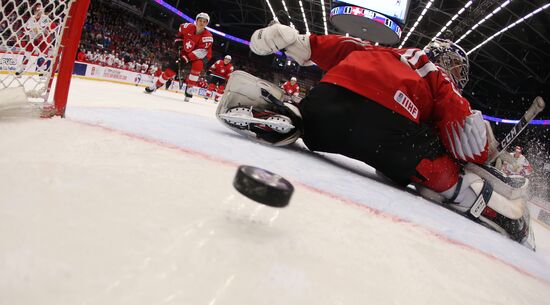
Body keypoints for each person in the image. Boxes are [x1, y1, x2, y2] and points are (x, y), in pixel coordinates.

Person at [215, 23, 534, 248]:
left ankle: (289, 113)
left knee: (316, 115)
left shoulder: (383, 51)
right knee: (441, 170)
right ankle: (500, 215)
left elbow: (328, 47)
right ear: (441, 59)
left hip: (330, 101)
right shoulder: (432, 71)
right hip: (392, 129)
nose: (457, 76)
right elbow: (465, 140)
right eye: (456, 68)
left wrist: (290, 40)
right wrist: (484, 151)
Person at [145, 12, 213, 102]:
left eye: (204, 21)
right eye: (200, 20)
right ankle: (156, 85)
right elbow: (180, 35)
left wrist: (186, 58)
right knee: (171, 70)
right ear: (196, 21)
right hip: (185, 52)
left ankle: (189, 88)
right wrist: (179, 42)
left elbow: (201, 52)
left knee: (198, 65)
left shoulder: (208, 37)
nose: (202, 23)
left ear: (206, 24)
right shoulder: (186, 27)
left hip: (201, 56)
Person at [15, 3, 56, 77]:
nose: (38, 13)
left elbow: (53, 27)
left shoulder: (45, 19)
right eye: (37, 11)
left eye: (40, 11)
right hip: (33, 38)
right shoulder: (31, 19)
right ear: (34, 11)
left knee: (42, 55)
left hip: (43, 39)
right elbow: (25, 28)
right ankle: (21, 70)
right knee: (27, 54)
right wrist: (25, 33)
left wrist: (48, 30)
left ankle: (43, 71)